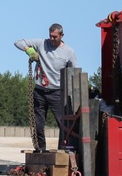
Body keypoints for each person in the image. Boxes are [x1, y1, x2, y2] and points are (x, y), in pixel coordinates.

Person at [14, 23, 78, 151]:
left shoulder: (69, 52)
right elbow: (18, 42)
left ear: (62, 35)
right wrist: (29, 50)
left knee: (63, 124)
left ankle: (63, 150)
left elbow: (75, 72)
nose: (52, 39)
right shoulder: (42, 43)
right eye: (50, 36)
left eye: (55, 37)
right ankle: (40, 149)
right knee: (38, 124)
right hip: (40, 91)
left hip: (57, 92)